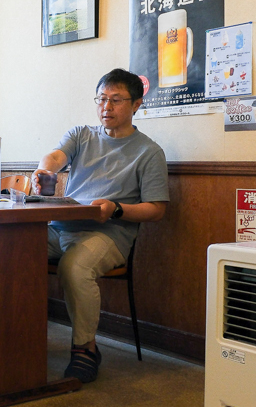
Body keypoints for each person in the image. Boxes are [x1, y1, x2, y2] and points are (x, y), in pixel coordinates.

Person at [29, 68, 169, 383]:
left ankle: (85, 349)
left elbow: (157, 209)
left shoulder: (149, 152)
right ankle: (16, 337)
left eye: (116, 100)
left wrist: (116, 208)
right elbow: (55, 155)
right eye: (101, 99)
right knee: (9, 249)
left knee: (75, 267)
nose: (106, 107)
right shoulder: (82, 134)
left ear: (136, 105)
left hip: (108, 233)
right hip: (60, 227)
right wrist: (44, 170)